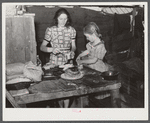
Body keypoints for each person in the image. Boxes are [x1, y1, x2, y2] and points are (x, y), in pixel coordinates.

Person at [40, 8, 76, 108]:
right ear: (56, 18)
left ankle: (66, 110)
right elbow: (42, 47)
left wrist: (72, 51)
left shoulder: (72, 30)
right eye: (61, 19)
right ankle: (60, 109)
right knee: (58, 89)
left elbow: (73, 45)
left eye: (65, 19)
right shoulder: (50, 30)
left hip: (67, 62)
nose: (63, 21)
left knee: (67, 87)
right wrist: (51, 49)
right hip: (55, 63)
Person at [76, 22, 111, 100]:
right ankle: (92, 99)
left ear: (93, 34)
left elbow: (94, 60)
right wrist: (80, 55)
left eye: (87, 37)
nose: (86, 39)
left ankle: (101, 102)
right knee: (90, 84)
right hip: (91, 67)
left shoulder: (100, 45)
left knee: (98, 87)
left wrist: (82, 61)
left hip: (98, 68)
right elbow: (88, 51)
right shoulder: (91, 44)